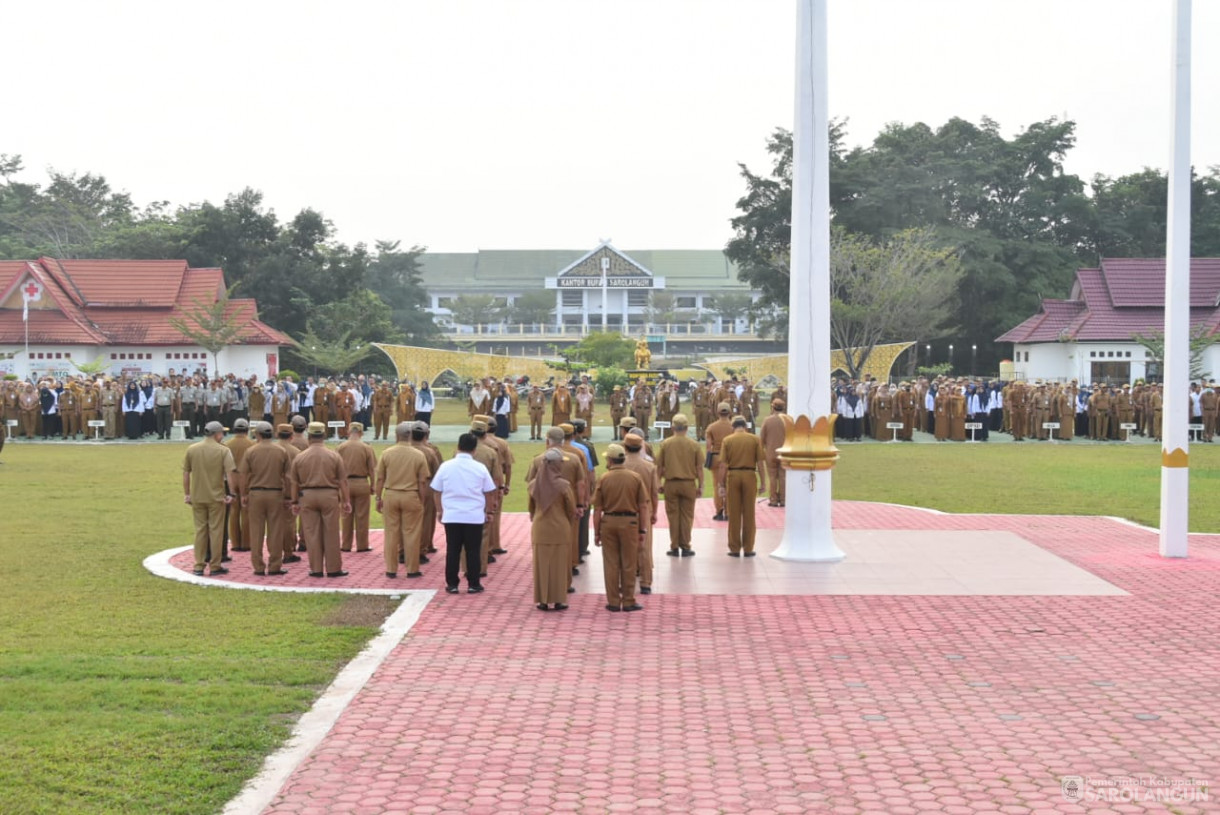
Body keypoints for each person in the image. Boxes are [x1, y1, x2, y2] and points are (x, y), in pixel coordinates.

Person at [430, 432, 497, 594]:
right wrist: (489, 511)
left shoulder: (446, 466)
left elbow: (437, 491)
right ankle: (474, 583)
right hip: (473, 515)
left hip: (452, 514)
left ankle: (452, 583)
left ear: (458, 447)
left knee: (453, 550)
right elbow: (489, 491)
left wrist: (439, 510)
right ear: (474, 450)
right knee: (473, 550)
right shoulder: (479, 467)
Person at [290, 422, 353, 578]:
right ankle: (333, 568)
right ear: (323, 436)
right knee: (331, 533)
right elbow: (343, 481)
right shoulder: (334, 455)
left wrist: (294, 502)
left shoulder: (300, 457)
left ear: (309, 436)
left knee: (311, 534)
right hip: (329, 495)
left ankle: (316, 569)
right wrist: (346, 500)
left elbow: (294, 482)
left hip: (308, 496)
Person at [593, 443, 649, 612]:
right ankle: (629, 600)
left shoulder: (604, 478)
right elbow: (643, 506)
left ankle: (613, 601)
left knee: (611, 564)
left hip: (609, 522)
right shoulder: (635, 477)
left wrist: (596, 532)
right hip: (630, 522)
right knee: (629, 563)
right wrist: (643, 530)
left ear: (610, 460)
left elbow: (597, 509)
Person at [375, 422, 430, 579]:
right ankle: (412, 569)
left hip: (391, 494)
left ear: (396, 435)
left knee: (391, 533)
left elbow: (380, 478)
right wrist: (422, 499)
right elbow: (422, 481)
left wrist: (378, 497)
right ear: (411, 435)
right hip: (411, 494)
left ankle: (391, 569)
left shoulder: (387, 453)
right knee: (411, 533)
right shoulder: (419, 455)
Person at [236, 421, 292, 576]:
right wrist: (288, 496)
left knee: (256, 531)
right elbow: (288, 476)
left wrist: (243, 494)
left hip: (256, 493)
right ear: (272, 433)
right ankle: (275, 565)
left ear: (258, 434)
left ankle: (258, 566)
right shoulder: (281, 451)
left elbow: (243, 475)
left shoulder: (251, 451)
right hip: (275, 494)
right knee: (275, 531)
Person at [183, 420, 237, 576]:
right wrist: (231, 493)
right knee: (216, 531)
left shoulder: (192, 449)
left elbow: (186, 473)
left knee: (200, 531)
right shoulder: (223, 451)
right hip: (216, 497)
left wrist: (187, 494)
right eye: (222, 433)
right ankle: (215, 565)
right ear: (217, 434)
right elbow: (229, 474)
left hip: (198, 496)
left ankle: (199, 565)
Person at [528, 448, 578, 610]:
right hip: (560, 528)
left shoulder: (534, 485)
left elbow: (531, 508)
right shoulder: (563, 485)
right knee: (559, 564)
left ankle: (542, 599)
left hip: (540, 527)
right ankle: (558, 599)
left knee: (541, 564)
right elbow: (571, 509)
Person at [718, 417, 767, 557]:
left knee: (733, 513)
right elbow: (760, 463)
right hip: (750, 475)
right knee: (749, 513)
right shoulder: (754, 439)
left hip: (733, 475)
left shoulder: (727, 440)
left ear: (733, 427)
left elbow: (723, 465)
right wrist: (763, 482)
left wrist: (721, 484)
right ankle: (748, 547)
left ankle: (734, 548)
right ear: (745, 426)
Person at [656, 413, 702, 556]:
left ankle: (674, 546)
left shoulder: (665, 443)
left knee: (673, 516)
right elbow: (699, 468)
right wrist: (701, 485)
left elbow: (659, 466)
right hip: (688, 483)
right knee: (687, 516)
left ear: (672, 427)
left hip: (671, 483)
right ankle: (686, 545)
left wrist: (658, 482)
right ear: (687, 428)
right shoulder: (694, 444)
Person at [621, 433, 659, 596]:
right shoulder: (649, 467)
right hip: (645, 510)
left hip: (624, 510)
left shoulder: (619, 465)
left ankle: (626, 582)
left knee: (625, 548)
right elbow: (654, 493)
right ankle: (645, 583)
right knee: (644, 548)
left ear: (625, 447)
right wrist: (654, 512)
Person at [338, 422, 377, 553]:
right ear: (361, 433)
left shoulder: (341, 447)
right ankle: (362, 545)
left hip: (346, 484)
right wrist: (373, 485)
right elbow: (372, 469)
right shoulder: (367, 448)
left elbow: (336, 469)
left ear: (349, 432)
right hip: (361, 483)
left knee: (345, 515)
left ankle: (346, 545)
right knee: (362, 516)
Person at [225, 418, 255, 552]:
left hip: (231, 477)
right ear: (247, 430)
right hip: (246, 478)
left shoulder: (227, 444)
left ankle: (235, 543)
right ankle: (246, 543)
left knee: (233, 512)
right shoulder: (252, 444)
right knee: (247, 512)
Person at [704, 402, 734, 521]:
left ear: (718, 412)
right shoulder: (733, 426)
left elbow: (708, 446)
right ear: (729, 412)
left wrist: (709, 459)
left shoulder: (711, 427)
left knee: (717, 485)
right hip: (730, 458)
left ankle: (719, 510)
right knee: (728, 485)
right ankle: (728, 511)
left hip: (716, 457)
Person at [758, 400, 787, 507]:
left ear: (773, 407)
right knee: (783, 476)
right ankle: (783, 499)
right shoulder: (788, 420)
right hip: (784, 452)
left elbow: (761, 438)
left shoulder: (767, 420)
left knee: (772, 477)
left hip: (771, 452)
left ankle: (773, 499)